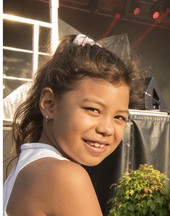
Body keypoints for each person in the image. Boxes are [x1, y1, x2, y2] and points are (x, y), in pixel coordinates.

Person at [3, 34, 144, 216]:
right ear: (49, 104)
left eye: (119, 117)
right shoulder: (65, 176)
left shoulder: (26, 165)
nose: (107, 129)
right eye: (93, 110)